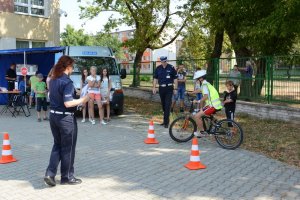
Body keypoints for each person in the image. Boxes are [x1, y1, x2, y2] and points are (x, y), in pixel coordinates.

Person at [44, 55, 90, 187]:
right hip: (65, 119)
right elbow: (68, 103)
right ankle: (67, 177)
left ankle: (50, 174)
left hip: (53, 116)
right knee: (68, 148)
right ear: (68, 67)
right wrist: (83, 99)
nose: (73, 69)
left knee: (57, 145)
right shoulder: (67, 82)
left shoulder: (53, 80)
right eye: (72, 66)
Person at [192, 70, 223, 137]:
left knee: (197, 116)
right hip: (214, 105)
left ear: (201, 78)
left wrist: (198, 101)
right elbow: (199, 90)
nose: (196, 81)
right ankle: (215, 124)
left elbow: (205, 96)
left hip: (212, 105)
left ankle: (202, 132)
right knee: (203, 113)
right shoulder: (205, 84)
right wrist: (191, 93)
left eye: (197, 79)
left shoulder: (205, 85)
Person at [153, 56, 178, 128]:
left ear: (166, 61)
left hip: (169, 88)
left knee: (167, 104)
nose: (163, 63)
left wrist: (175, 88)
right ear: (160, 61)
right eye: (162, 62)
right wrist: (154, 87)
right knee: (164, 105)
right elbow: (155, 78)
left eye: (164, 61)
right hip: (161, 88)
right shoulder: (158, 68)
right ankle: (165, 120)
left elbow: (175, 79)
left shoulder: (171, 67)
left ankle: (166, 123)